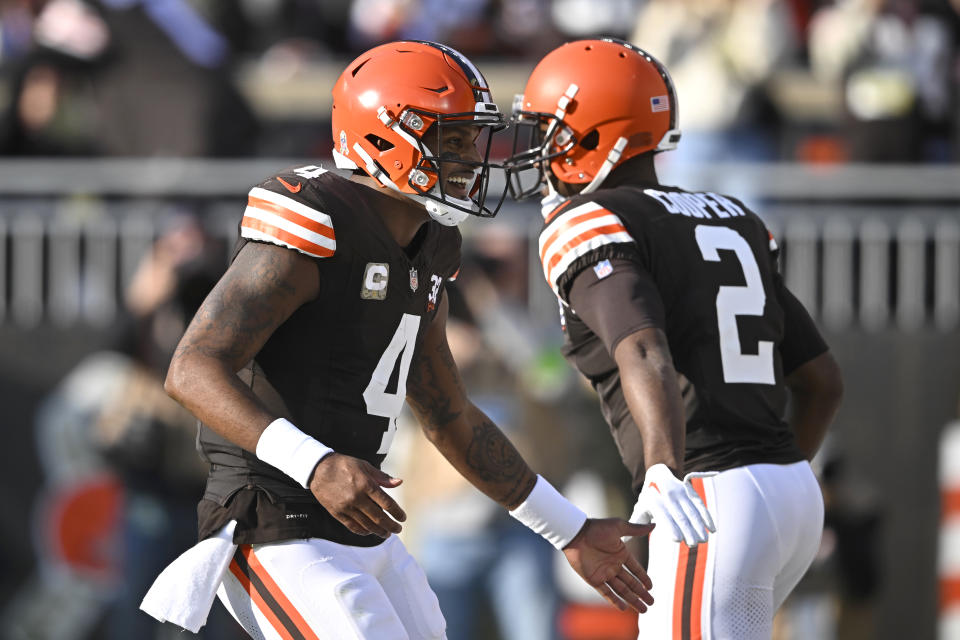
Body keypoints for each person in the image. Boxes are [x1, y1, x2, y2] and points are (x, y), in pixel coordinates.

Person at [142, 40, 654, 640]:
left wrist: (568, 528)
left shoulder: (433, 246)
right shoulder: (320, 218)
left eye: (471, 141)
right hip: (274, 521)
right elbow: (193, 366)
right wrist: (316, 464)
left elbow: (450, 413)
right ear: (387, 138)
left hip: (362, 529)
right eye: (454, 141)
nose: (471, 160)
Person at [505, 37, 844, 639]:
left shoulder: (587, 220)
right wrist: (777, 475)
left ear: (594, 134)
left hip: (705, 496)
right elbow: (821, 382)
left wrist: (664, 469)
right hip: (791, 493)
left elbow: (641, 345)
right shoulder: (732, 215)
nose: (541, 150)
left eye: (550, 131)